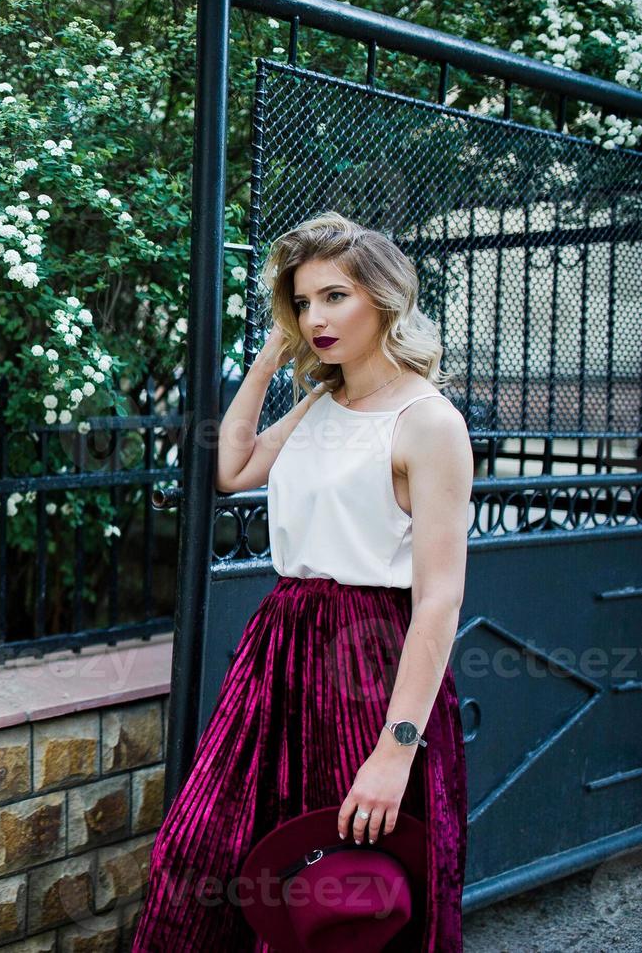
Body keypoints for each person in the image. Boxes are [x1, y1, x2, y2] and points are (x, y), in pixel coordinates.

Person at [129, 211, 472, 952]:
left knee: (344, 893)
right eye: (303, 302)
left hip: (368, 666)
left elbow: (439, 598)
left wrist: (395, 748)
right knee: (202, 854)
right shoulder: (321, 402)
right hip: (277, 657)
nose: (315, 317)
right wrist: (266, 363)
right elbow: (228, 470)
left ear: (382, 298)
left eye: (334, 297)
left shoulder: (428, 423)